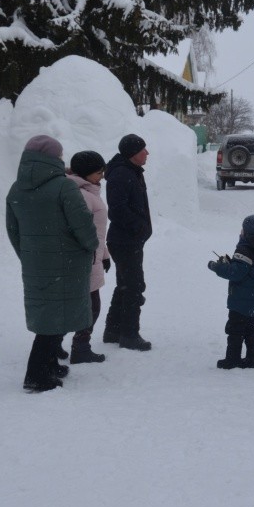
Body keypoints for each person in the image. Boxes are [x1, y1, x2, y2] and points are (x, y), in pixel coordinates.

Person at [6, 135, 98, 392]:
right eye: (59, 155)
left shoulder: (16, 188)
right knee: (55, 318)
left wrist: (29, 255)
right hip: (68, 261)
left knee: (51, 313)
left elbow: (12, 230)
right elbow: (82, 224)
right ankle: (36, 375)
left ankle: (49, 365)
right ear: (52, 158)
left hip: (36, 262)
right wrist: (91, 246)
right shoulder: (64, 187)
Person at [101, 133, 153, 351]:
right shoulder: (122, 174)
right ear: (133, 154)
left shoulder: (130, 171)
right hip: (125, 240)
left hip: (128, 239)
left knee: (125, 284)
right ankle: (129, 334)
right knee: (133, 286)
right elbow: (117, 209)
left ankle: (113, 330)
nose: (147, 153)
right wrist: (138, 227)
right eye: (143, 150)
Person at [207, 210, 254, 369]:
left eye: (243, 229)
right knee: (249, 327)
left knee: (235, 329)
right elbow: (245, 269)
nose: (240, 232)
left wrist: (217, 267)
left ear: (249, 233)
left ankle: (232, 359)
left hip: (241, 299)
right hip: (253, 297)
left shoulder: (245, 249)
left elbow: (235, 273)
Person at [65, 150, 110, 364]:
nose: (102, 175)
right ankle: (80, 347)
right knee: (91, 306)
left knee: (76, 305)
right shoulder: (80, 194)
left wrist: (105, 254)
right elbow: (81, 230)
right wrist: (95, 254)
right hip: (85, 260)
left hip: (93, 257)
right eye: (98, 172)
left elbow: (98, 230)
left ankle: (59, 344)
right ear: (85, 173)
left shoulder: (88, 191)